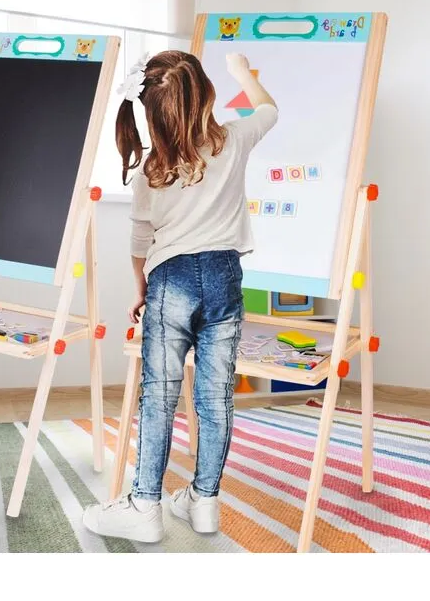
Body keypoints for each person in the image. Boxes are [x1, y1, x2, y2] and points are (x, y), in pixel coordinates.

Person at [83, 51, 278, 542]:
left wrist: (141, 289)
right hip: (225, 276)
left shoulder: (152, 170)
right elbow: (269, 110)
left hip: (170, 281)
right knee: (215, 396)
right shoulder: (234, 140)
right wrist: (242, 72)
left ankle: (145, 504)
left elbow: (140, 243)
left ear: (151, 113)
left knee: (161, 394)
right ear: (206, 95)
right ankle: (204, 500)